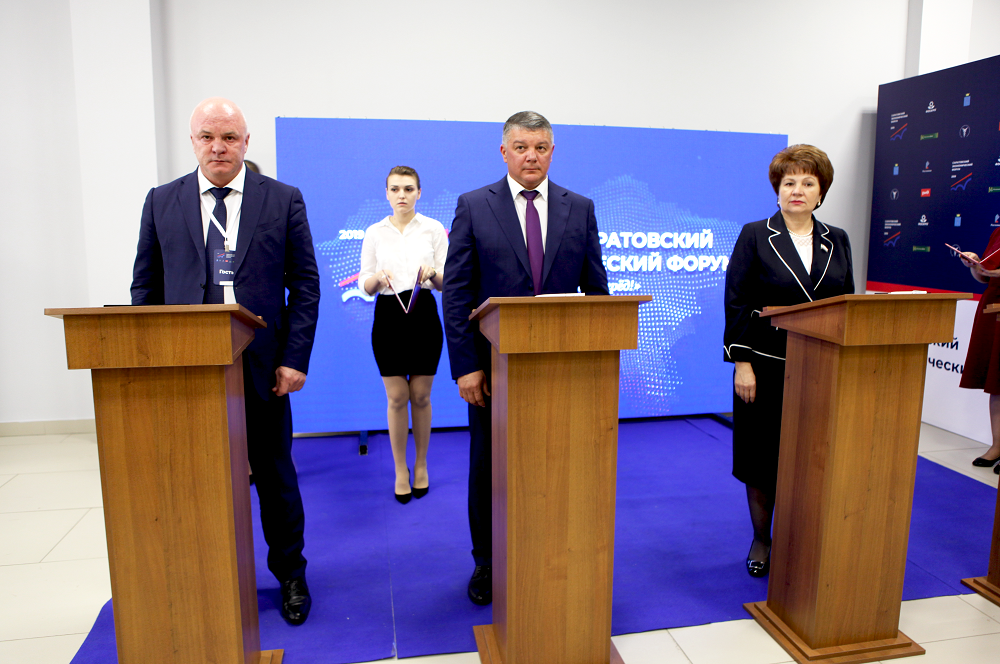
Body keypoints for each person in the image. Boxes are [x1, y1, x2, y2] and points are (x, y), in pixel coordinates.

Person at [131, 97, 320, 625]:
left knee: (276, 477)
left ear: (246, 142)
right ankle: (206, 573)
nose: (219, 147)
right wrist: (151, 361)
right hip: (186, 368)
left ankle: (291, 573)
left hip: (263, 368)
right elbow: (145, 287)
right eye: (208, 137)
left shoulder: (282, 199)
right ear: (192, 141)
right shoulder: (161, 201)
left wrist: (294, 358)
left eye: (230, 137)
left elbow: (305, 286)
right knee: (194, 478)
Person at [442, 111, 609, 605]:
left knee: (559, 466)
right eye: (521, 147)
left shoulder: (580, 208)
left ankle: (553, 551)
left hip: (565, 372)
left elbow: (597, 292)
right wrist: (466, 366)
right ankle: (487, 561)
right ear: (504, 152)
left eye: (540, 147)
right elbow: (457, 294)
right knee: (488, 467)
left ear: (552, 152)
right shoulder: (474, 206)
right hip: (494, 372)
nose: (531, 156)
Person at [723, 144, 854, 578]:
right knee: (762, 460)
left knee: (813, 458)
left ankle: (804, 538)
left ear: (821, 192)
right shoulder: (755, 235)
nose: (797, 190)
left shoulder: (838, 239)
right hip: (765, 367)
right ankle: (762, 538)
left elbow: (846, 303)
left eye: (807, 182)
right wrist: (742, 363)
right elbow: (737, 302)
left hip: (821, 366)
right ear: (777, 190)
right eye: (789, 182)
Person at [358, 166, 447, 503]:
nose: (402, 195)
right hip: (388, 317)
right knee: (396, 397)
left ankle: (421, 464)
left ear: (419, 193)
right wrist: (377, 279)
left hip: (423, 314)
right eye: (395, 189)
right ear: (386, 194)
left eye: (408, 189)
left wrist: (433, 273)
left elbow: (446, 283)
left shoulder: (433, 229)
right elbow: (365, 284)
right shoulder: (374, 232)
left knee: (421, 396)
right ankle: (400, 470)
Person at [956, 234, 1000, 475]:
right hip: (992, 305)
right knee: (996, 382)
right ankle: (997, 447)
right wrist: (975, 264)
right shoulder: (998, 232)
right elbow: (984, 276)